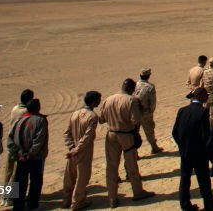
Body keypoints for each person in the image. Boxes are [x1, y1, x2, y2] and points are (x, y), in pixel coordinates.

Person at [100, 79, 155, 207]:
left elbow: (102, 119)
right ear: (131, 89)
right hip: (127, 134)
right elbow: (135, 120)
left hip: (111, 134)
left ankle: (112, 197)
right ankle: (138, 192)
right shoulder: (132, 100)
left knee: (112, 166)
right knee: (131, 164)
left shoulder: (108, 99)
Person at [173, 87, 213, 211]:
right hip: (199, 153)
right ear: (201, 97)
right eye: (205, 96)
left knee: (185, 178)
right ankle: (209, 203)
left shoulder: (182, 110)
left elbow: (175, 132)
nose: (207, 98)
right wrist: (208, 151)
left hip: (185, 151)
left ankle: (185, 204)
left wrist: (182, 145)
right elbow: (205, 135)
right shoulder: (203, 112)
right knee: (203, 179)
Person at [62, 91, 101, 211]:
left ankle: (66, 200)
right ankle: (78, 202)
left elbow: (66, 133)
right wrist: (77, 149)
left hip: (73, 149)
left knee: (69, 176)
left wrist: (71, 147)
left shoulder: (75, 113)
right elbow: (87, 137)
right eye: (98, 100)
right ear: (94, 102)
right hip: (83, 151)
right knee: (82, 177)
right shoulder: (92, 117)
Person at [7, 98, 49, 211]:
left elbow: (10, 138)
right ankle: (32, 205)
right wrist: (29, 154)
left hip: (21, 157)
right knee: (35, 182)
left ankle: (18, 206)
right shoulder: (40, 121)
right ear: (38, 108)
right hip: (34, 158)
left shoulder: (20, 120)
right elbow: (39, 141)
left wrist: (17, 153)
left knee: (20, 182)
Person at [0, 89, 34, 209]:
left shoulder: (15, 108)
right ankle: (10, 197)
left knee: (9, 171)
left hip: (11, 144)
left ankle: (5, 195)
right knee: (16, 173)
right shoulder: (26, 111)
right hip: (19, 146)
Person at [134, 68, 163, 154]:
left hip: (134, 112)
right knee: (149, 131)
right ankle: (154, 147)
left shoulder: (134, 84)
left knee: (134, 132)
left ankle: (135, 152)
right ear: (149, 76)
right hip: (145, 112)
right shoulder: (150, 87)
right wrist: (151, 111)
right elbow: (152, 102)